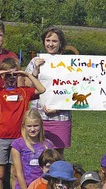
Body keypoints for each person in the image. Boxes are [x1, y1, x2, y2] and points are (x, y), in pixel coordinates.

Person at [0, 58, 46, 189]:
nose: (11, 78)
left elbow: (42, 89)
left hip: (19, 139)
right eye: (8, 75)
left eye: (14, 75)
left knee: (15, 172)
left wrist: (27, 75)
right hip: (2, 138)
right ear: (2, 76)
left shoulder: (23, 92)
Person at [25, 26, 72, 156]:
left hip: (60, 116)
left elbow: (73, 90)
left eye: (54, 41)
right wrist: (35, 71)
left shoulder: (68, 63)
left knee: (57, 154)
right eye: (48, 40)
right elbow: (26, 85)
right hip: (38, 115)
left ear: (60, 43)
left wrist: (57, 108)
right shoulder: (35, 61)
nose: (50, 44)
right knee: (37, 151)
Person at [10, 109, 54, 189]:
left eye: (36, 126)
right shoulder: (17, 145)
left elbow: (52, 171)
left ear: (41, 125)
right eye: (29, 126)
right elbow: (18, 173)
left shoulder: (48, 145)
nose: (32, 129)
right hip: (24, 188)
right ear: (24, 126)